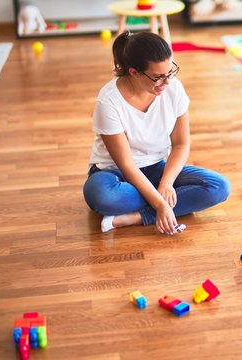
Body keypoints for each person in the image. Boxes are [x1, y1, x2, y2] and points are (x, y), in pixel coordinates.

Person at [83, 31, 230, 235]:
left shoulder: (174, 89)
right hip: (116, 173)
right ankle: (165, 205)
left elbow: (180, 144)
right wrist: (160, 203)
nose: (167, 82)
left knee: (219, 186)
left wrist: (167, 182)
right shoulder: (108, 102)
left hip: (157, 169)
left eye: (171, 72)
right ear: (134, 72)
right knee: (102, 196)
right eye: (159, 77)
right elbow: (127, 165)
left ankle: (136, 217)